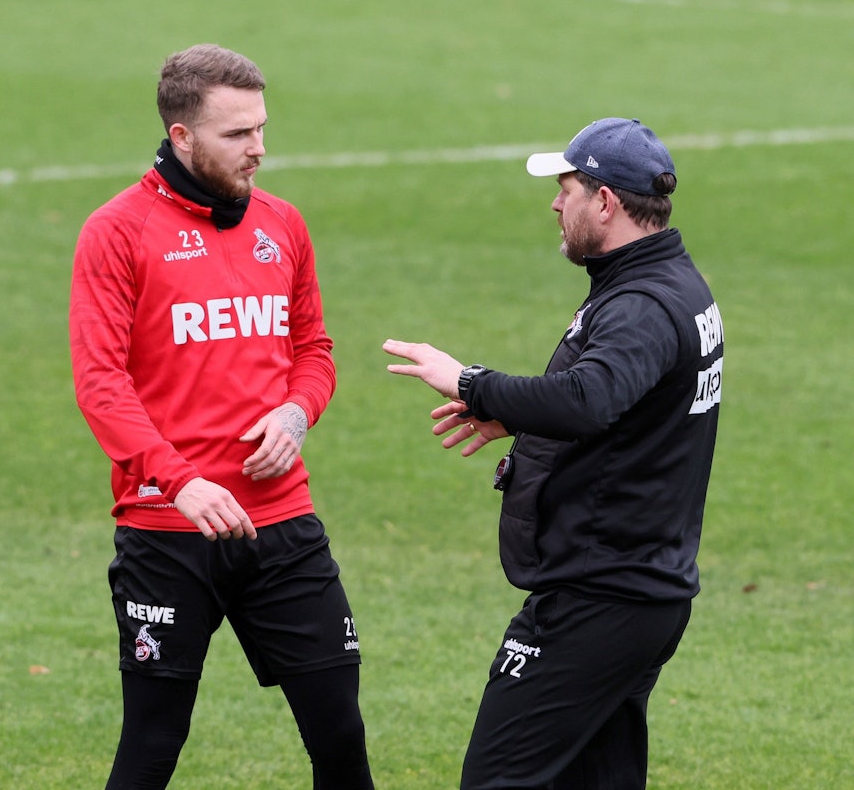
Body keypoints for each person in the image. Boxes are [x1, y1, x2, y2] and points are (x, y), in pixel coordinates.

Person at [383, 117, 723, 789]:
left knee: (496, 779)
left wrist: (473, 384)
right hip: (642, 590)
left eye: (565, 187)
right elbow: (625, 402)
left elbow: (588, 398)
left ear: (604, 201)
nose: (554, 204)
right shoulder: (675, 286)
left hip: (599, 597)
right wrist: (510, 415)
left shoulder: (642, 305)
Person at [70, 44, 373, 790]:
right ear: (181, 137)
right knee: (152, 744)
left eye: (262, 128)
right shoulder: (116, 233)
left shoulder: (283, 225)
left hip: (282, 526)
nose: (259, 150)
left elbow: (314, 349)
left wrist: (299, 413)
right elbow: (101, 384)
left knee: (340, 734)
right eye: (237, 134)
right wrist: (180, 483)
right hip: (168, 534)